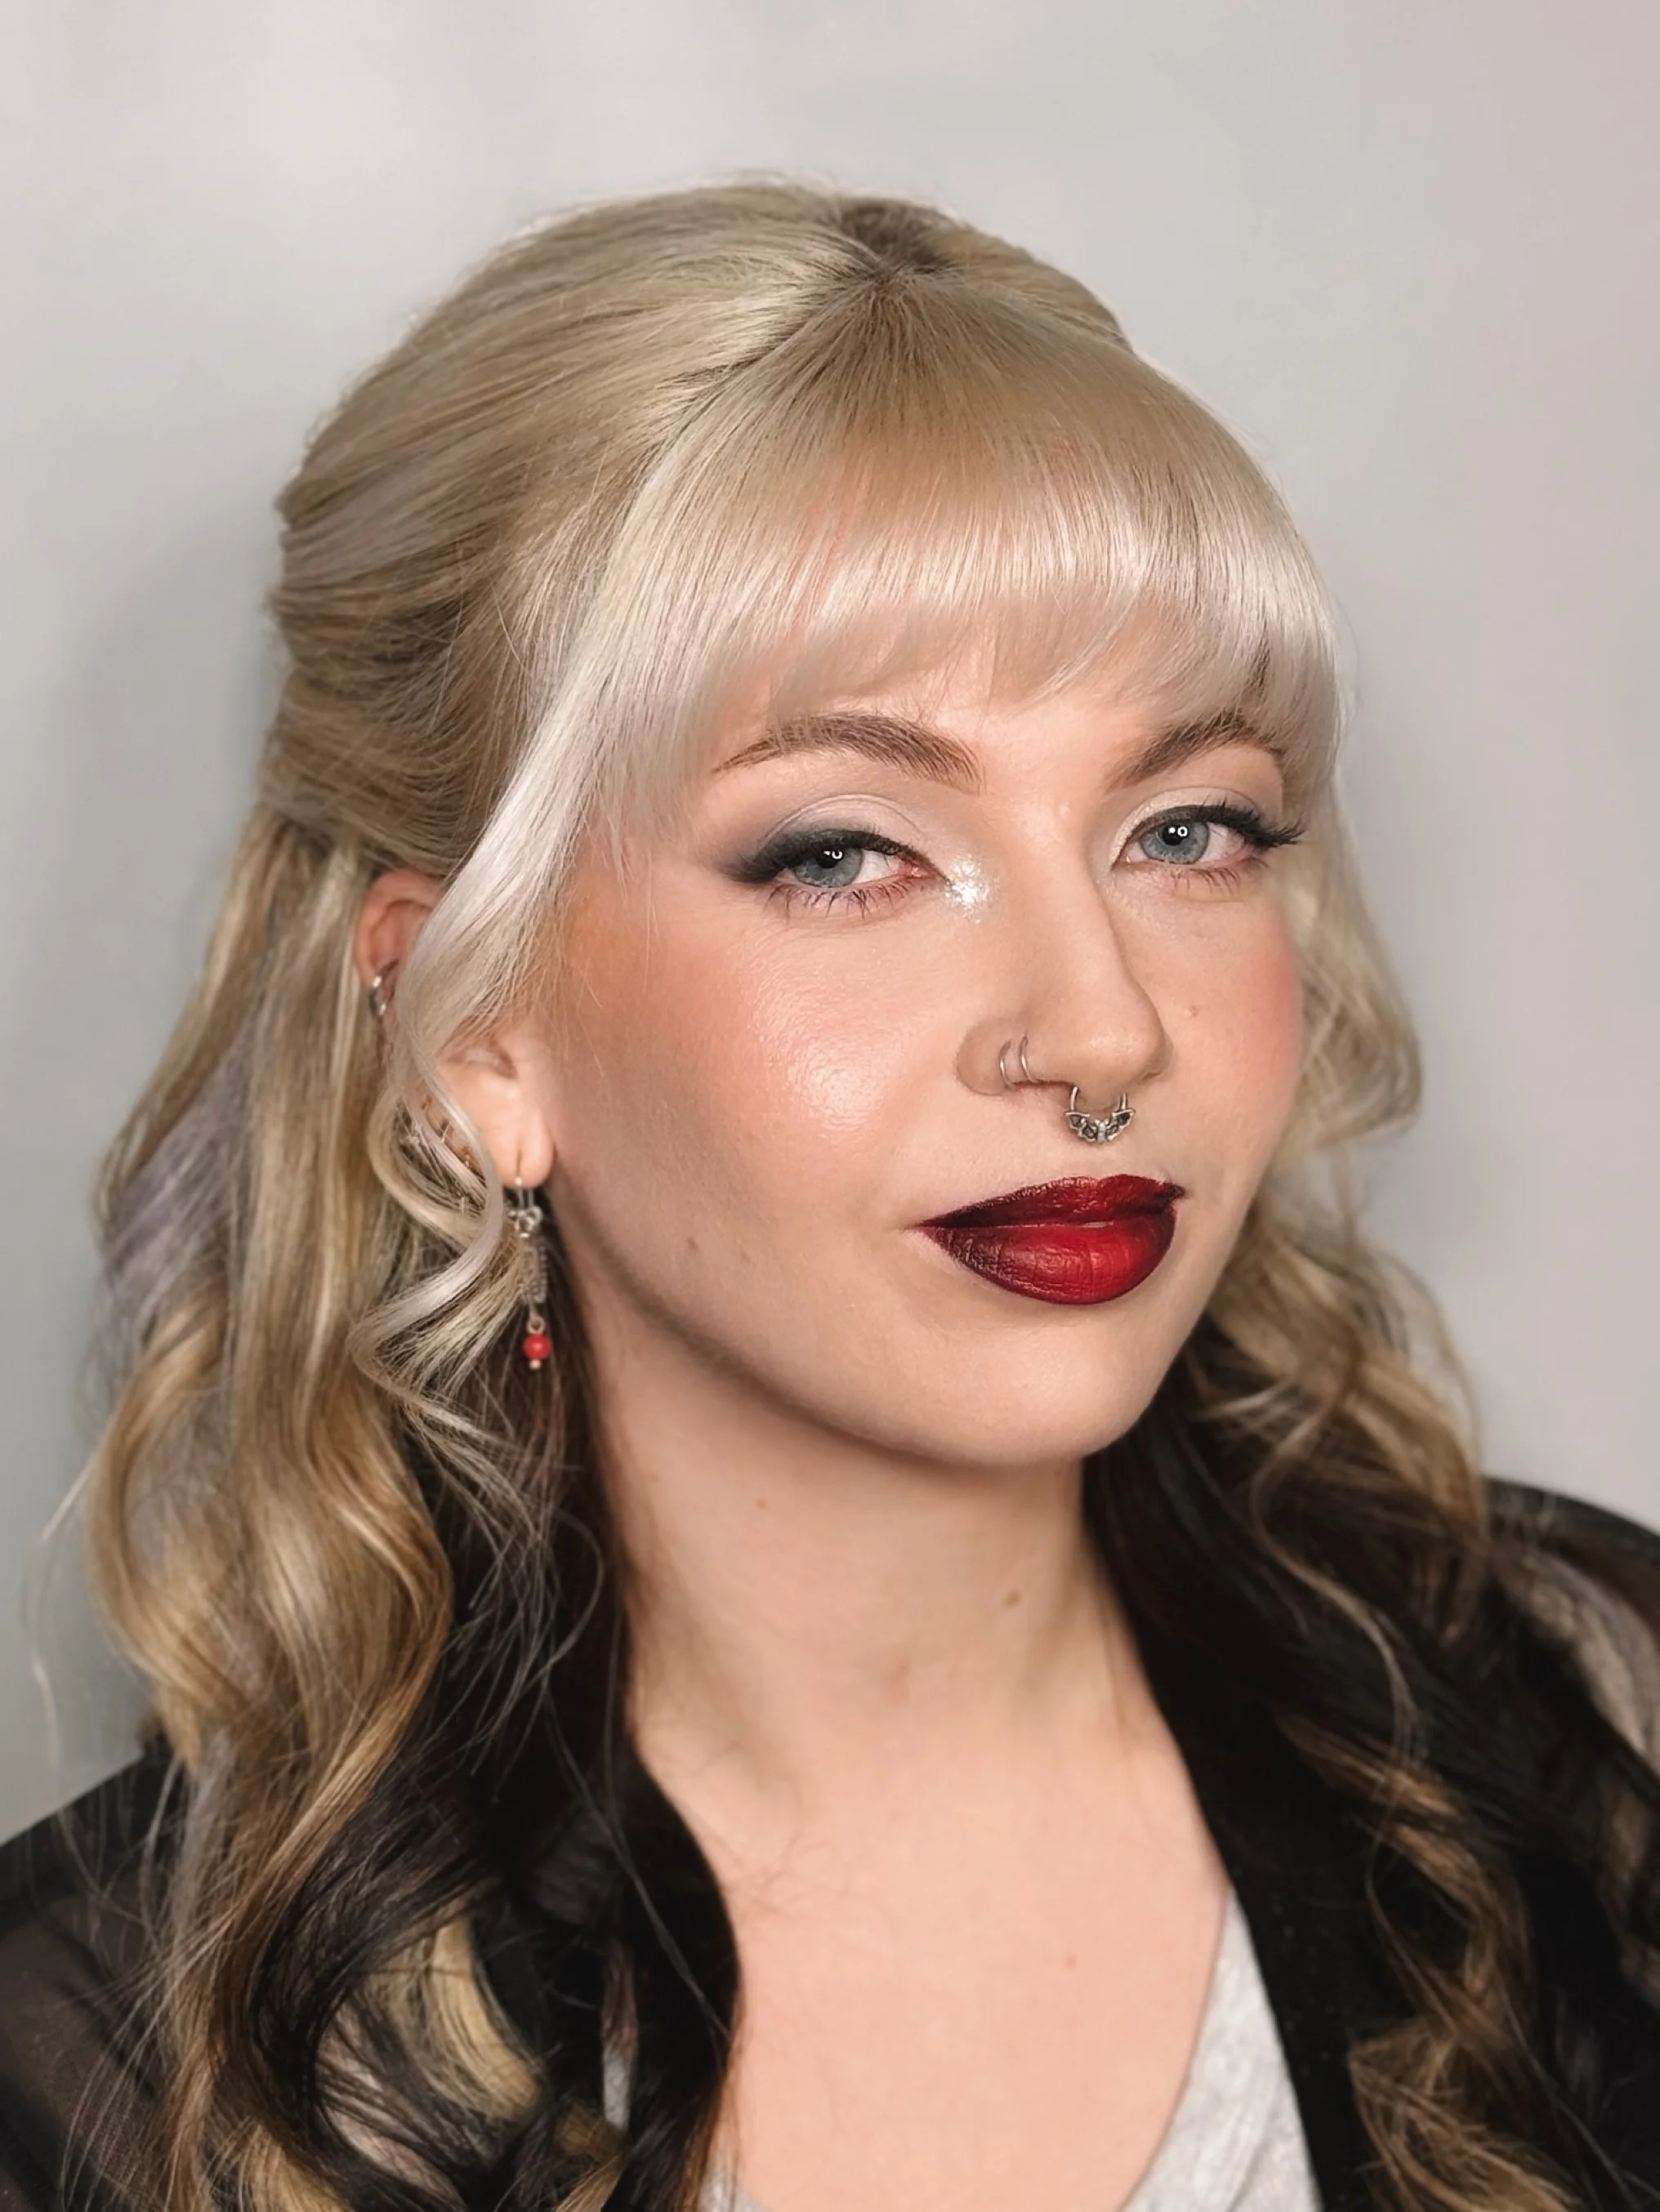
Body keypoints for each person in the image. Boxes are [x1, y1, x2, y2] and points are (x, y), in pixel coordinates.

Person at [2, 180, 1658, 2212]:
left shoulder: (1591, 1736)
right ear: (475, 1028)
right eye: (845, 851)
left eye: (1186, 826)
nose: (1098, 1025)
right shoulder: (106, 2073)